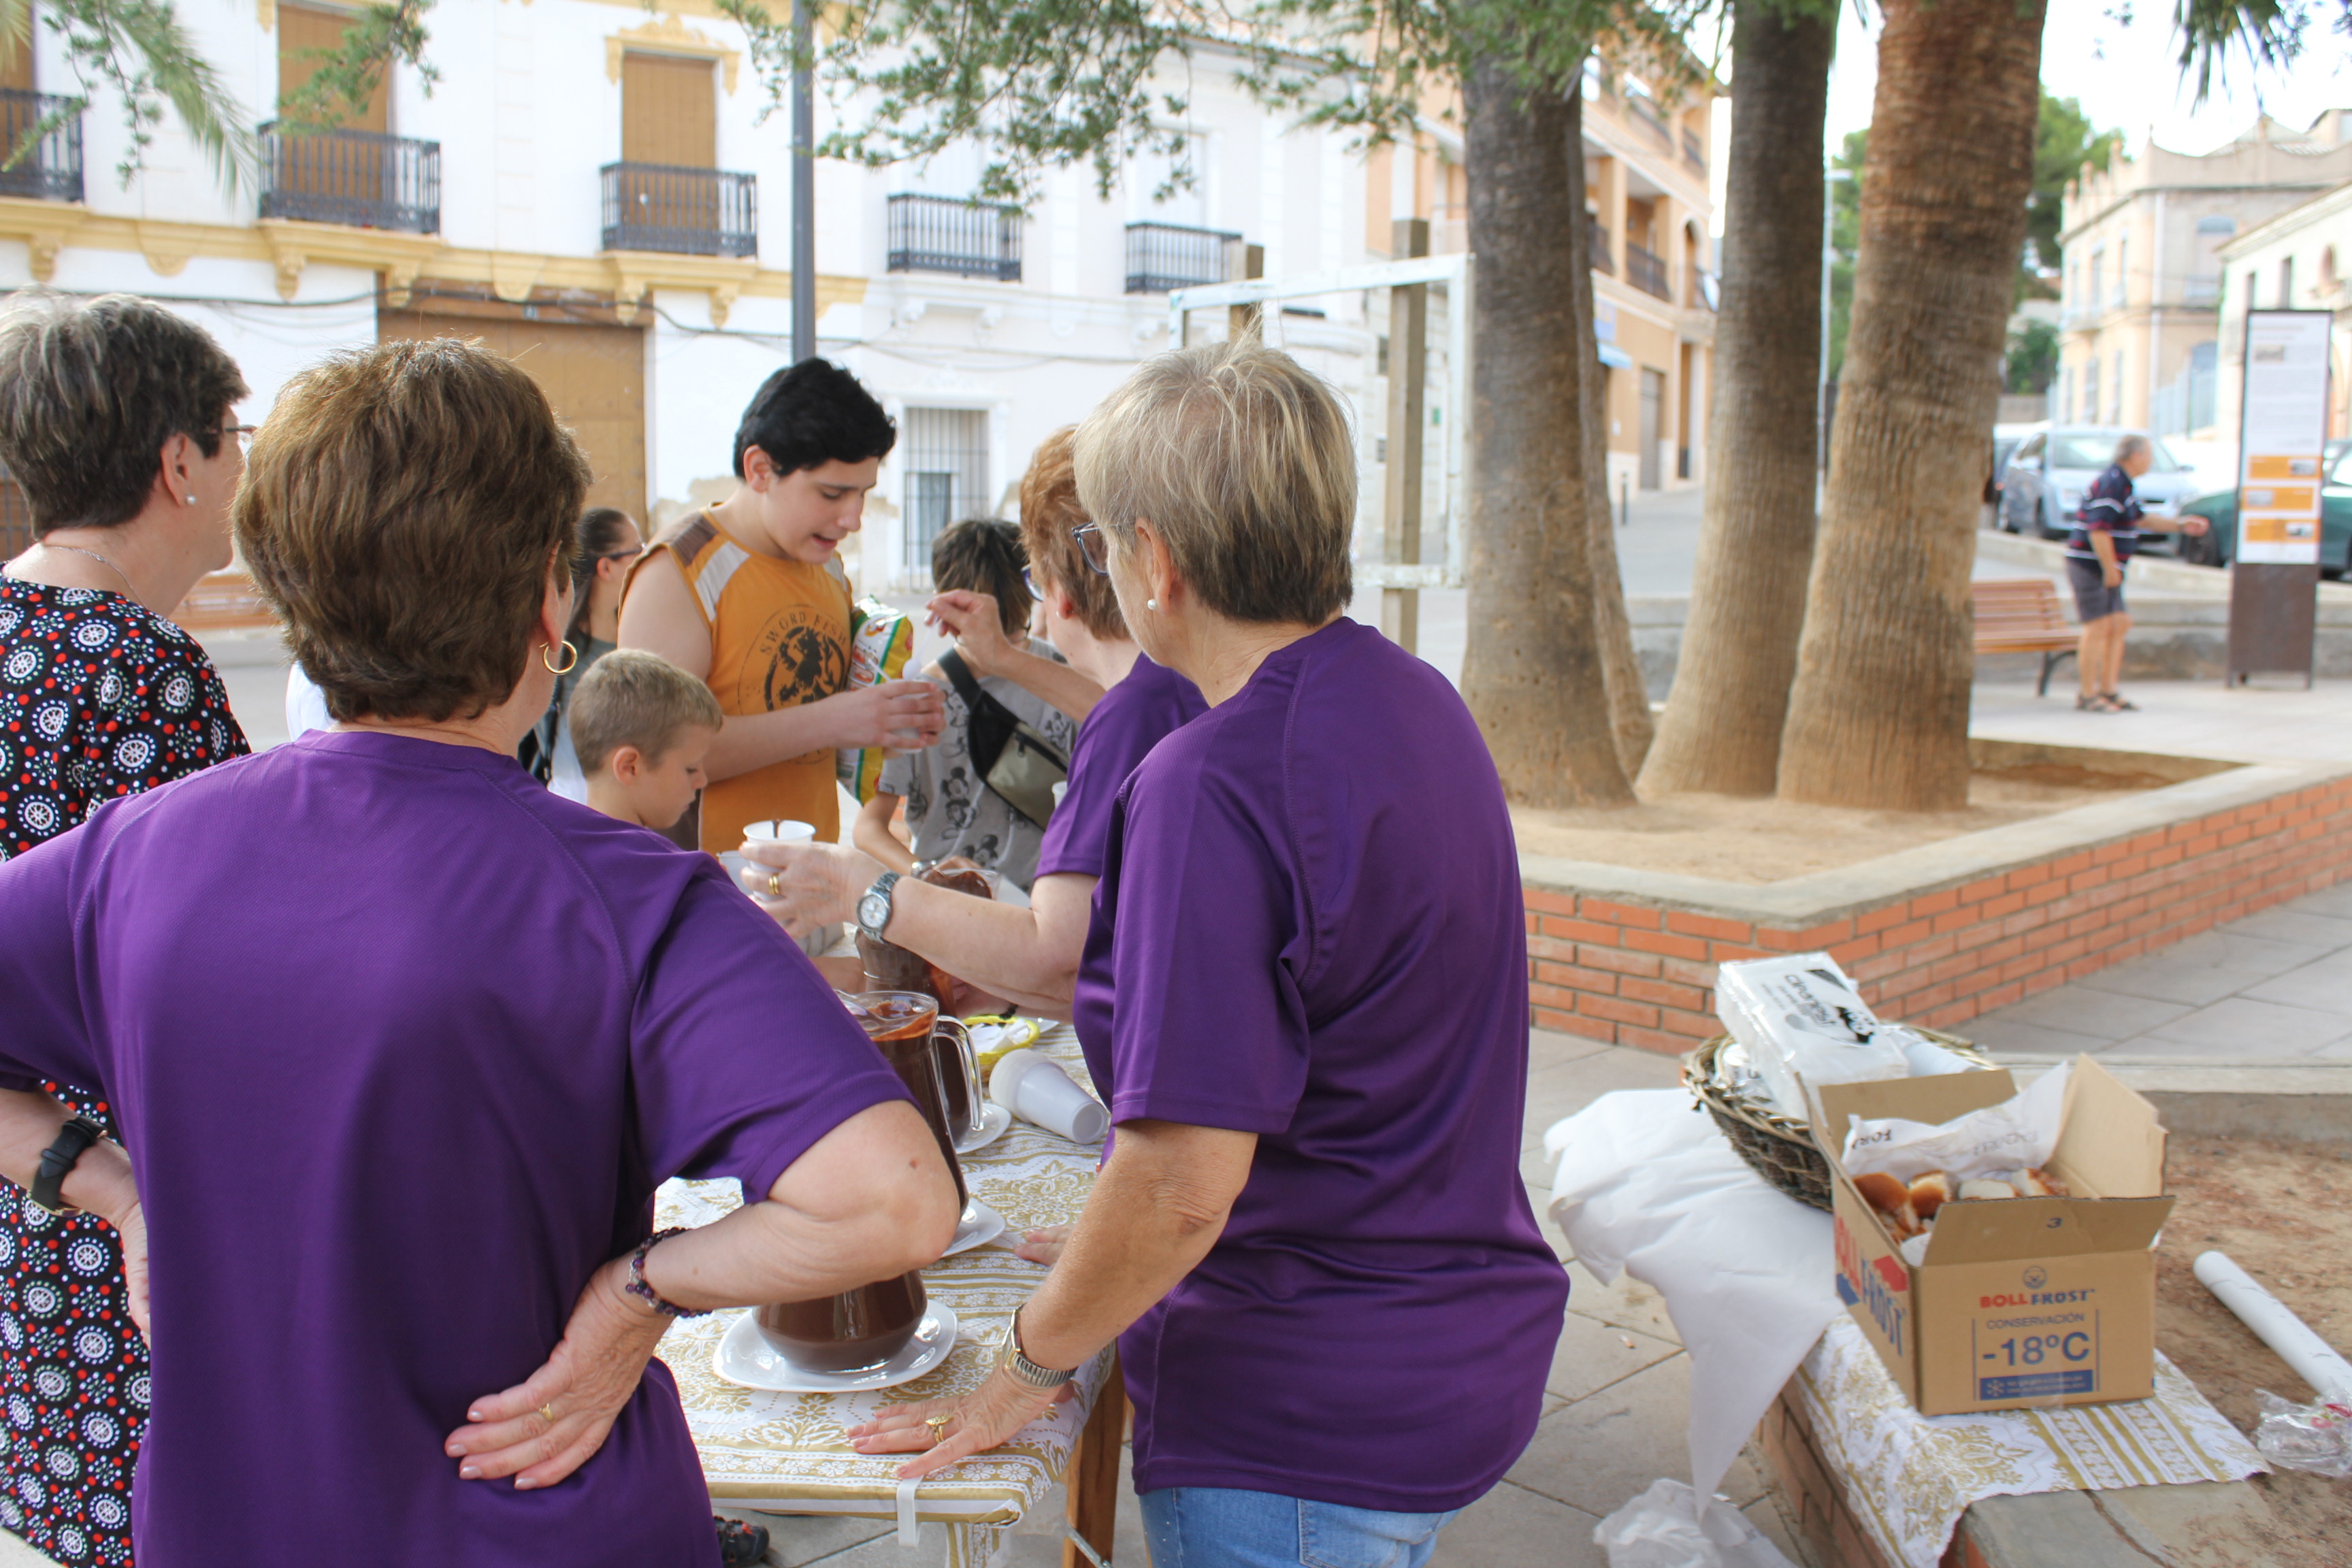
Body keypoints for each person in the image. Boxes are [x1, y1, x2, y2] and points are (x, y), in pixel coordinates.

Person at [0, 337, 961, 1565]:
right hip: (545, 1516)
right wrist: (639, 1291)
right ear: (549, 601)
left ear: (289, 588)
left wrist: (111, 1189)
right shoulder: (627, 895)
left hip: (233, 1520)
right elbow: (895, 1199)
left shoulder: (130, 857)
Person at [839, 342, 1569, 1568]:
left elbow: (1180, 1186)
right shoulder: (1412, 696)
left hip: (1302, 1408)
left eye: (1105, 543)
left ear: (1155, 560)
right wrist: (1101, 1256)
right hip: (1443, 1344)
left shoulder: (1211, 779)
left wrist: (1025, 1366)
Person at [0, 290, 252, 1562]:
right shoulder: (138, 667)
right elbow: (232, 971)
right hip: (143, 1218)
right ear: (178, 462)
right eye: (234, 435)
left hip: (33, 1210)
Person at [739, 427, 1204, 1024]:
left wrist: (861, 889)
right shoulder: (1177, 691)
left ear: (1057, 596)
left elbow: (1055, 957)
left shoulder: (1127, 717)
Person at [619, 359, 945, 850]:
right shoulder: (677, 572)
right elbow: (654, 757)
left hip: (812, 873)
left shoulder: (827, 567)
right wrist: (838, 719)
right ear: (760, 470)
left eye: (863, 494)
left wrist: (890, 723)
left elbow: (822, 731)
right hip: (706, 883)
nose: (853, 519)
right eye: (832, 494)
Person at [854, 518, 1079, 890]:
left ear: (944, 597)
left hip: (952, 901)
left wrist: (926, 874)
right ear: (1029, 585)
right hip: (1049, 898)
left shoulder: (914, 698)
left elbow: (868, 828)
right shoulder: (1069, 679)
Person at [2065, 433, 2207, 713]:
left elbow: (2140, 519)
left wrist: (2180, 526)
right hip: (2090, 565)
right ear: (2135, 456)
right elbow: (2098, 530)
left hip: (2110, 567)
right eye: (2149, 456)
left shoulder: (2125, 485)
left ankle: (2109, 689)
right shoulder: (2112, 483)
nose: (2151, 462)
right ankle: (2087, 694)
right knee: (2097, 626)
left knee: (2119, 623)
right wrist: (2109, 569)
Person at [529, 505, 646, 799]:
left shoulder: (643, 637)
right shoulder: (557, 650)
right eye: (638, 549)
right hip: (574, 804)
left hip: (632, 805)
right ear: (606, 568)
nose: (645, 558)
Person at [574, 647, 724, 833]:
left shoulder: (557, 845)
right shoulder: (655, 853)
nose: (702, 781)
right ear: (629, 767)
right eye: (691, 769)